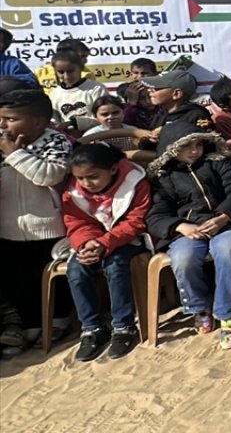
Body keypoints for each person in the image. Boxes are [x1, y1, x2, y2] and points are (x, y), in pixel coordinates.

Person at [145, 121, 231, 350]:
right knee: (183, 258)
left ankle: (228, 314)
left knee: (226, 250)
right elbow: (156, 214)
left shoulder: (218, 163)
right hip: (188, 230)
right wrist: (179, 227)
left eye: (198, 144)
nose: (195, 150)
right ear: (173, 149)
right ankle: (200, 307)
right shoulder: (165, 177)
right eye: (187, 146)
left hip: (226, 223)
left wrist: (223, 216)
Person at [0, 89, 73, 356]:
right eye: (1, 119)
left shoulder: (56, 141)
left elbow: (49, 176)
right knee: (18, 280)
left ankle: (58, 320)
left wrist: (13, 154)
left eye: (10, 119)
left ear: (38, 121)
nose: (3, 125)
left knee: (51, 277)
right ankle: (30, 325)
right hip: (8, 228)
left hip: (47, 226)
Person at [62, 143, 151, 361]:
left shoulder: (136, 182)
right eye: (80, 178)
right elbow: (76, 222)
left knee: (116, 266)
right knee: (76, 270)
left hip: (127, 240)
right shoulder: (73, 191)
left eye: (92, 177)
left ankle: (124, 327)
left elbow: (136, 222)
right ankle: (92, 329)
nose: (86, 183)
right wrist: (86, 244)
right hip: (91, 241)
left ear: (112, 169)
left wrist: (105, 242)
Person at [48, 50, 108, 132]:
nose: (66, 76)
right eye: (61, 72)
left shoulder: (96, 89)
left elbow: (104, 117)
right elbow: (54, 121)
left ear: (81, 68)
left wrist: (72, 123)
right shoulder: (54, 94)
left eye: (70, 71)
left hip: (96, 135)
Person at [139, 69, 214, 134]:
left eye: (156, 88)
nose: (149, 90)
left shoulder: (197, 115)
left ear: (176, 94)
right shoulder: (160, 114)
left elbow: (205, 144)